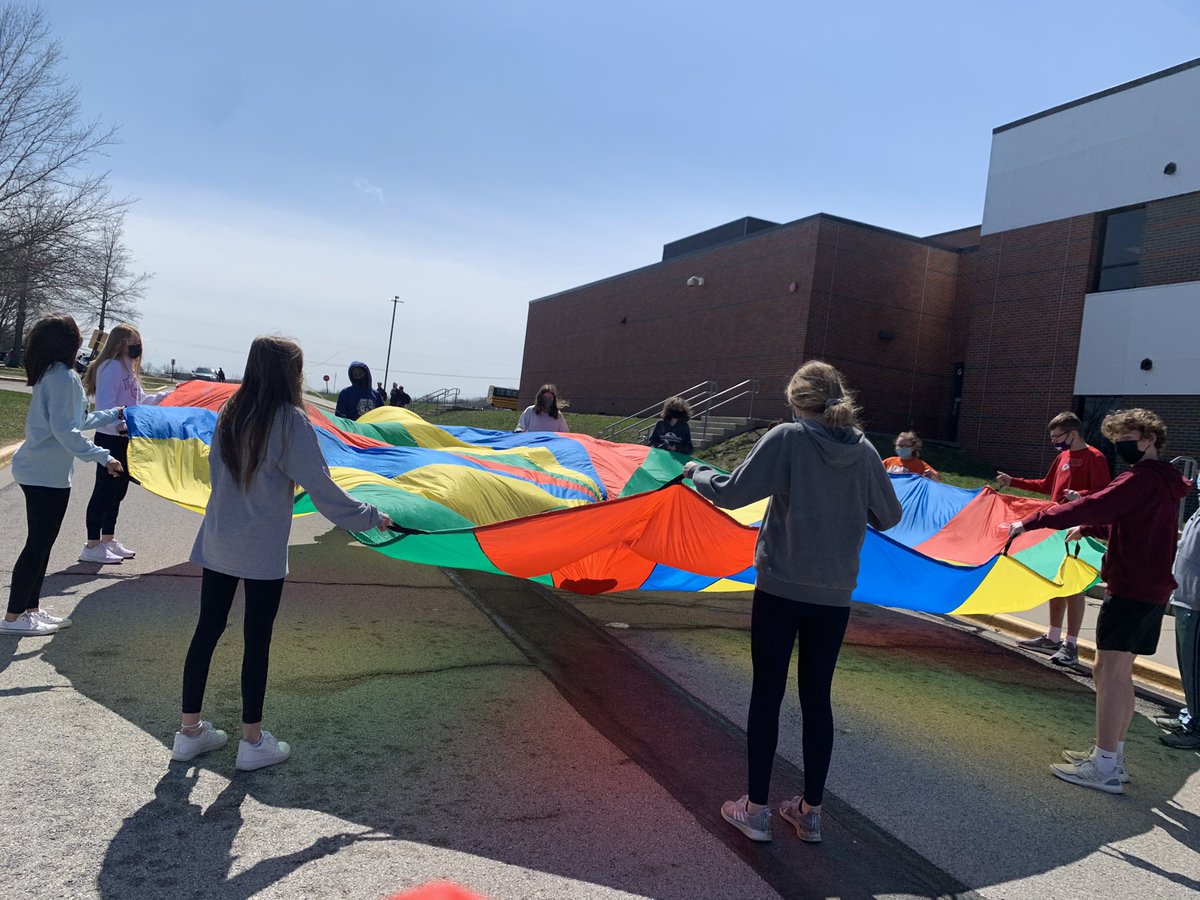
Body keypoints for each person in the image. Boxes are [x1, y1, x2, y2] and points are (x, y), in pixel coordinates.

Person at [683, 361, 902, 843]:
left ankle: (757, 811)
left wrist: (697, 471)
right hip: (835, 596)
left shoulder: (788, 437)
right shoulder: (864, 450)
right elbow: (890, 516)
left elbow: (733, 492)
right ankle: (810, 812)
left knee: (768, 693)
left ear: (798, 401)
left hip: (782, 587)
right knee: (816, 699)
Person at [172, 337, 393, 770]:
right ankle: (251, 742)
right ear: (291, 373)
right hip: (259, 551)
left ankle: (189, 732)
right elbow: (324, 490)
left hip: (218, 541)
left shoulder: (230, 413)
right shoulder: (291, 421)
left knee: (206, 632)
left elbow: (221, 475)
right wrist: (372, 516)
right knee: (257, 641)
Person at [1006, 408, 1191, 794]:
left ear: (1150, 439)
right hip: (1149, 588)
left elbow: (1094, 504)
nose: (1122, 445)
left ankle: (1105, 765)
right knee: (1115, 673)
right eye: (1116, 437)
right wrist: (1088, 527)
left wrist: (1031, 522)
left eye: (1128, 437)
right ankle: (1113, 757)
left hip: (1132, 587)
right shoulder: (1164, 481)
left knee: (1108, 673)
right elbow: (1122, 518)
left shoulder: (1141, 478)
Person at [2, 315, 124, 636]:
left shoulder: (56, 374)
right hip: (44, 476)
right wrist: (103, 456)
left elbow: (76, 421)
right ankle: (13, 618)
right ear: (68, 342)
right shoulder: (63, 377)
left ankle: (30, 611)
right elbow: (65, 430)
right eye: (78, 335)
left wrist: (114, 413)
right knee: (38, 544)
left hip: (45, 473)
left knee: (42, 544)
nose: (83, 339)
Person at [997, 412, 1112, 667]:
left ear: (1073, 433)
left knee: (1075, 586)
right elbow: (1046, 486)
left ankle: (1071, 645)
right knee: (1057, 581)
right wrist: (1012, 480)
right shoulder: (1062, 456)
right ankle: (1052, 636)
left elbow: (1103, 494)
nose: (1055, 442)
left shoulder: (1095, 457)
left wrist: (1080, 496)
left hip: (1079, 528)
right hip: (1056, 527)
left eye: (1057, 436)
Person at [80, 324, 173, 564]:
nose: (137, 346)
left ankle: (108, 539)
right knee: (104, 491)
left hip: (126, 438)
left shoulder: (128, 369)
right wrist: (121, 424)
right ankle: (92, 545)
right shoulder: (111, 367)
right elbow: (106, 406)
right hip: (111, 437)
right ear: (120, 342)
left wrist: (168, 396)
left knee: (118, 492)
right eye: (134, 341)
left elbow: (141, 401)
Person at [1154, 498, 1200, 750]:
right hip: (1186, 598)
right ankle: (1190, 715)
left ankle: (1197, 727)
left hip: (1196, 603)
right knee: (1189, 667)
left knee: (1196, 669)